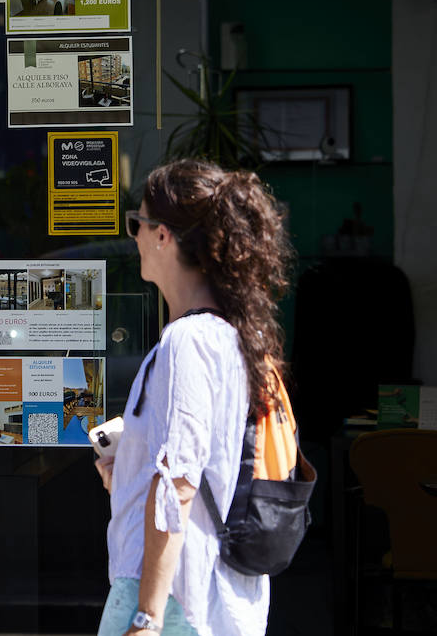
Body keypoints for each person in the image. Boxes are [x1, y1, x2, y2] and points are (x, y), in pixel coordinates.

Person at [95, 158, 293, 636]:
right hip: (215, 594)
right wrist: (125, 470)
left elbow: (178, 482)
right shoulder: (234, 337)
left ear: (162, 235)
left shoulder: (190, 341)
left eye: (136, 223)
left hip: (179, 599)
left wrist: (146, 617)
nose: (134, 237)